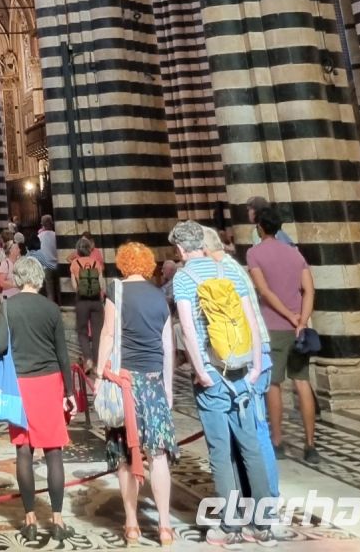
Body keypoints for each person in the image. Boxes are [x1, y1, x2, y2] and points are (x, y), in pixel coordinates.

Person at [170, 220, 274, 538]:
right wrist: (255, 367)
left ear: (180, 249)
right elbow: (251, 320)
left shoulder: (183, 277)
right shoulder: (228, 269)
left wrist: (201, 371)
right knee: (251, 447)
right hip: (243, 369)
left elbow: (188, 330)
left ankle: (231, 524)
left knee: (220, 451)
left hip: (212, 374)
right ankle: (263, 525)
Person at [95, 242, 177, 547]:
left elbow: (108, 333)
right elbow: (167, 346)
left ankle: (131, 523)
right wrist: (168, 387)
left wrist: (99, 373)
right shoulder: (160, 296)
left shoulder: (116, 291)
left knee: (125, 455)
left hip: (124, 383)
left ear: (123, 263)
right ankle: (165, 526)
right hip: (154, 383)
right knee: (158, 455)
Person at [0, 254, 74, 546]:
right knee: (53, 452)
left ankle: (29, 520)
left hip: (21, 384)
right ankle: (58, 520)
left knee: (24, 451)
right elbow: (63, 353)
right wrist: (69, 392)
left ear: (18, 278)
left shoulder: (9, 305)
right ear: (39, 278)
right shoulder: (51, 308)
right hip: (50, 383)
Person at [247, 209, 319, 464]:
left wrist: (289, 316)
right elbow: (309, 290)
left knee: (273, 384)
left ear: (260, 228)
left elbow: (264, 291)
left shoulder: (254, 253)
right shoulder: (294, 253)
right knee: (302, 382)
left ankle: (277, 441)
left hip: (273, 327)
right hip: (298, 329)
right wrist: (301, 320)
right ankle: (310, 445)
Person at [70, 235, 105, 369]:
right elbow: (101, 284)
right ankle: (97, 363)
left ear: (78, 250)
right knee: (97, 333)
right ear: (90, 249)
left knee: (82, 331)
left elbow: (74, 286)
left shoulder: (75, 264)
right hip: (96, 301)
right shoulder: (96, 263)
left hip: (82, 301)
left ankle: (88, 359)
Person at [37, 216, 59, 302]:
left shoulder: (39, 237)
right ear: (51, 223)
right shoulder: (56, 235)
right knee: (58, 289)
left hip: (46, 267)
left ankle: (51, 307)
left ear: (42, 225)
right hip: (57, 265)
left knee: (50, 291)